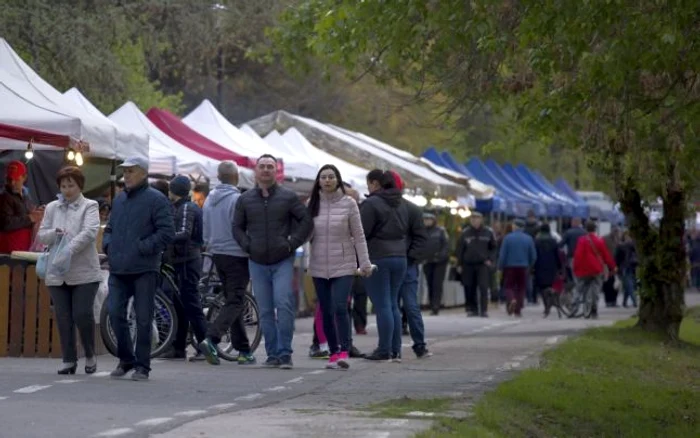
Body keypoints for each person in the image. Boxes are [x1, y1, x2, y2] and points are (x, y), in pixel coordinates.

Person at [233, 154, 313, 369]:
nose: (266, 170)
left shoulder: (288, 197)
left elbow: (306, 221)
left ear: (275, 171)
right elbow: (237, 227)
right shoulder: (245, 198)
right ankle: (272, 354)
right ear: (256, 172)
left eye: (270, 167)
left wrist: (292, 243)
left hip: (282, 260)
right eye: (263, 167)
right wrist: (247, 245)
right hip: (256, 261)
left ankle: (285, 353)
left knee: (284, 304)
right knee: (265, 310)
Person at [104, 157, 175, 381]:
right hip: (119, 267)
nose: (126, 175)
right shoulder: (120, 199)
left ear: (143, 173)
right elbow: (111, 226)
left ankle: (142, 366)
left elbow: (166, 232)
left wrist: (142, 247)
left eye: (131, 171)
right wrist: (108, 244)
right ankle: (126, 359)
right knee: (115, 313)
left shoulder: (157, 199)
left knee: (144, 318)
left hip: (144, 267)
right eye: (125, 171)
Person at [37, 166, 102, 375]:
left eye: (71, 185)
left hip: (84, 270)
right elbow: (42, 234)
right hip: (57, 271)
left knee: (82, 313)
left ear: (79, 185)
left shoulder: (90, 206)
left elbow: (90, 232)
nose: (67, 190)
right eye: (63, 186)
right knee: (63, 317)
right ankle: (68, 359)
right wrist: (54, 234)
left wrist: (68, 249)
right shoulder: (52, 207)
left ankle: (90, 353)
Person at [307, 165, 373, 369]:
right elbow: (306, 235)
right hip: (319, 265)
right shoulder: (312, 204)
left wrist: (364, 262)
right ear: (318, 181)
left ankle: (344, 350)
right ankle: (333, 352)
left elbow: (359, 235)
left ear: (338, 180)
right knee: (326, 310)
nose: (327, 180)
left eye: (331, 177)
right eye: (323, 177)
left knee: (339, 307)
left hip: (344, 264)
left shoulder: (349, 203)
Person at [198, 162, 256, 365]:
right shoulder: (237, 200)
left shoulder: (209, 200)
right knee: (235, 300)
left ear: (218, 176)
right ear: (236, 176)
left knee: (233, 300)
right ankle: (212, 339)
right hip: (236, 255)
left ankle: (243, 350)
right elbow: (242, 229)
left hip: (217, 254)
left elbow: (205, 231)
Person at [360, 169, 409, 362]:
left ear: (377, 184)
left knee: (382, 305)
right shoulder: (402, 205)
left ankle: (384, 349)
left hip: (379, 256)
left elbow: (361, 231)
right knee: (393, 304)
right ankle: (395, 349)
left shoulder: (371, 204)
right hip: (400, 256)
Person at [162, 175, 211, 361]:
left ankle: (205, 347)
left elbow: (184, 233)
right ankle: (178, 348)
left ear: (173, 191)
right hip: (183, 260)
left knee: (190, 304)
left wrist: (164, 237)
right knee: (180, 304)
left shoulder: (185, 208)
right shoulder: (183, 207)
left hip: (187, 261)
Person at [389, 170, 431, 359]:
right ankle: (418, 345)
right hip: (405, 262)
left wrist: (411, 257)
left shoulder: (406, 209)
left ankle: (395, 347)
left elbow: (420, 238)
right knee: (407, 305)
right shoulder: (412, 209)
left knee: (395, 305)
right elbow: (421, 238)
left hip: (399, 262)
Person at [572, 220, 616, 319]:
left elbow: (578, 255)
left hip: (583, 270)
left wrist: (575, 267)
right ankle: (594, 309)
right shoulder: (599, 241)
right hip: (596, 269)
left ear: (585, 229)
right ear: (595, 229)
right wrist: (613, 266)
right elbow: (606, 256)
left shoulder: (581, 240)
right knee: (596, 289)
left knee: (579, 287)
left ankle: (574, 306)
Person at [456, 212, 496, 317]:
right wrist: (459, 264)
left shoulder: (488, 232)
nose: (475, 220)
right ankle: (471, 309)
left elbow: (494, 248)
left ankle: (484, 310)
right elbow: (460, 249)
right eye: (473, 218)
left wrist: (490, 260)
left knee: (483, 286)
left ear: (481, 219)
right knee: (469, 287)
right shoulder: (465, 233)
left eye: (477, 218)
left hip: (483, 264)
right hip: (468, 264)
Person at [0, 160, 43, 253]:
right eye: (9, 179)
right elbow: (5, 223)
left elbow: (26, 213)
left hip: (23, 246)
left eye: (16, 179)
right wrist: (30, 218)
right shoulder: (4, 197)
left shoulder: (26, 194)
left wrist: (36, 212)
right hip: (8, 249)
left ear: (24, 177)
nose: (12, 183)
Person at [499, 219, 537, 316]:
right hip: (524, 267)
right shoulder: (528, 238)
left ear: (514, 226)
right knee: (521, 287)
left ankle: (512, 299)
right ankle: (518, 310)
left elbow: (502, 254)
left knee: (509, 286)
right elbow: (533, 256)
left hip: (510, 266)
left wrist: (500, 266)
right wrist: (530, 265)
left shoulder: (507, 238)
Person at [533, 223, 563, 317]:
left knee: (542, 287)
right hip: (552, 266)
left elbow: (534, 254)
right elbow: (557, 255)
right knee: (550, 284)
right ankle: (550, 298)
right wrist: (559, 267)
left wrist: (533, 266)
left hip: (540, 265)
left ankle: (546, 306)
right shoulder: (553, 241)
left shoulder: (536, 241)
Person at [423, 211, 450, 315]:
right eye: (425, 219)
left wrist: (440, 256)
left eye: (429, 219)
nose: (427, 221)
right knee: (429, 283)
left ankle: (435, 306)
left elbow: (446, 245)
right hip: (427, 261)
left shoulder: (440, 231)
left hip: (439, 262)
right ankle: (431, 303)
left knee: (437, 284)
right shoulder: (421, 231)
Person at [560, 217, 587, 287]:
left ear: (573, 222)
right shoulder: (585, 232)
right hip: (583, 258)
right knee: (581, 275)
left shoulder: (568, 232)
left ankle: (577, 290)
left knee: (574, 275)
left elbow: (560, 244)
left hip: (572, 257)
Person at [615, 230, 638, 308]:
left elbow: (617, 258)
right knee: (629, 284)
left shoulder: (620, 246)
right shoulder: (634, 245)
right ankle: (630, 301)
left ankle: (632, 301)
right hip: (632, 266)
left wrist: (617, 266)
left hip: (624, 267)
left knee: (628, 285)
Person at [603, 226, 621, 307]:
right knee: (608, 283)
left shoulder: (618, 240)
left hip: (616, 264)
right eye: (615, 231)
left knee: (616, 284)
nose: (617, 233)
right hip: (607, 264)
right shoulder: (605, 238)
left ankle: (613, 300)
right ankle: (608, 300)